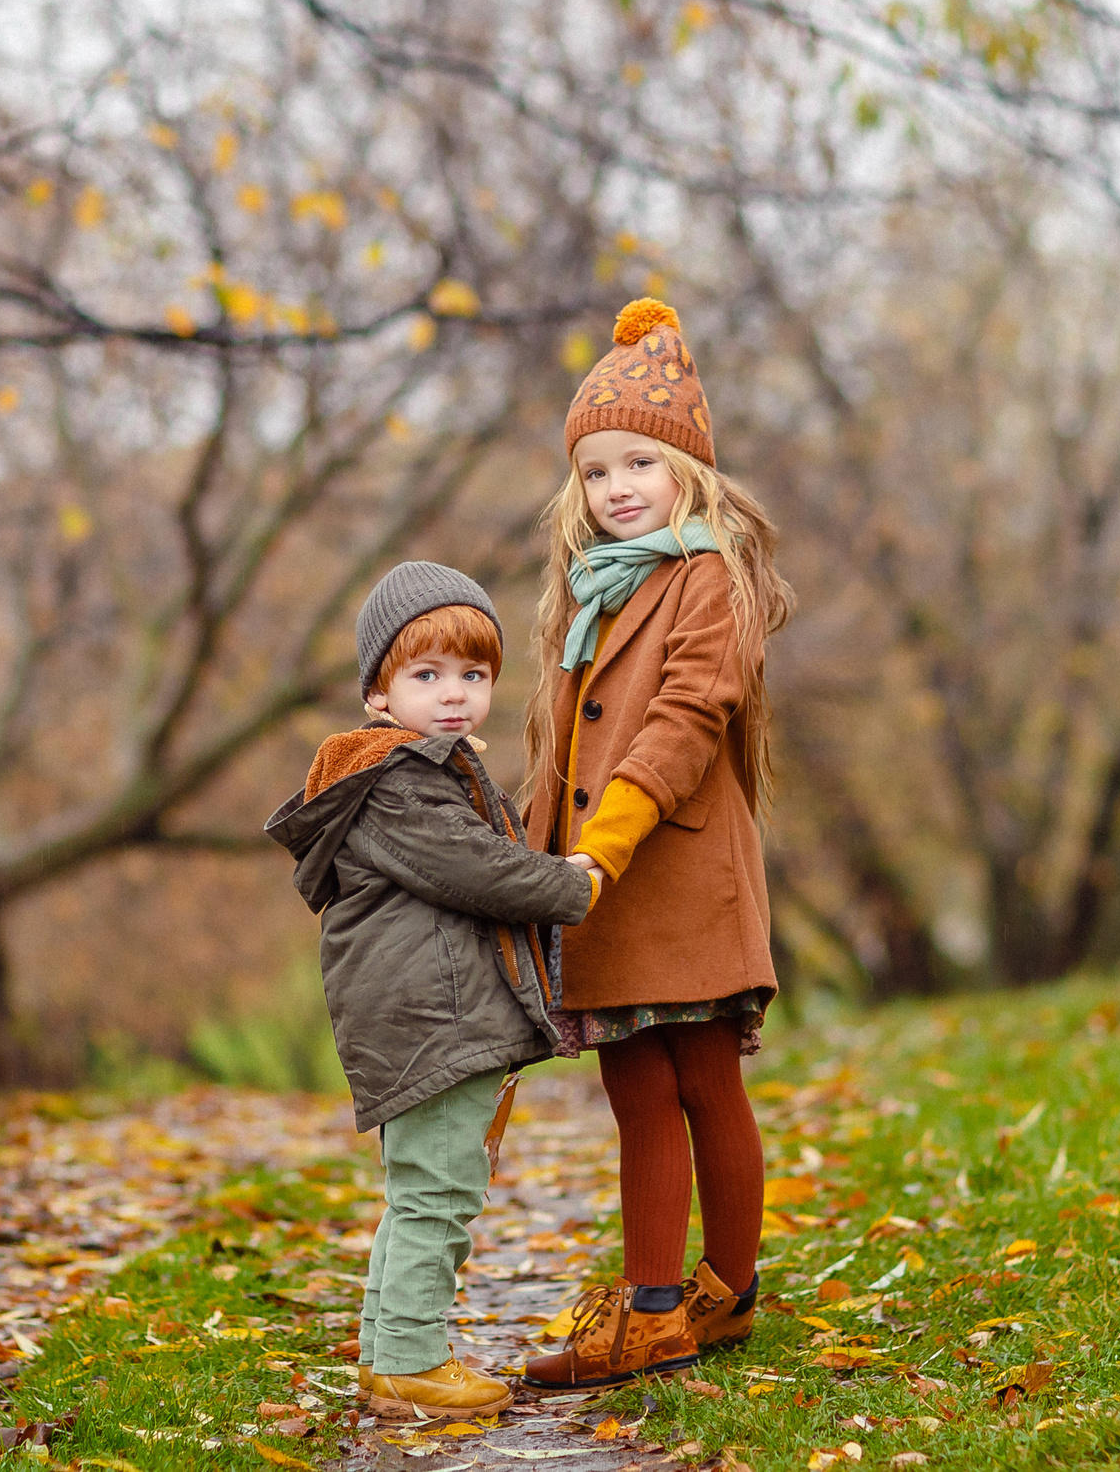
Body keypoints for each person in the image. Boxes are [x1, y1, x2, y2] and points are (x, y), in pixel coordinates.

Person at [517, 298, 796, 1393]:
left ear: (690, 471)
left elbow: (684, 720)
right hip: (600, 888)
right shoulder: (591, 596)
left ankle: (706, 1295)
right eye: (595, 472)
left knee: (705, 1081)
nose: (617, 487)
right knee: (638, 1090)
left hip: (667, 873)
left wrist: (604, 845)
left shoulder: (707, 577)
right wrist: (531, 863)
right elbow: (564, 753)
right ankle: (663, 1302)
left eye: (640, 462)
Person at [264, 563, 596, 1420]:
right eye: (427, 674)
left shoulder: (414, 771)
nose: (455, 693)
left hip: (420, 1020)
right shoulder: (399, 783)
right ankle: (413, 1361)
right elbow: (479, 868)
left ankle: (387, 1357)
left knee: (418, 1191)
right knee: (440, 1195)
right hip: (433, 1025)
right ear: (378, 693)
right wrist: (576, 882)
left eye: (473, 674)